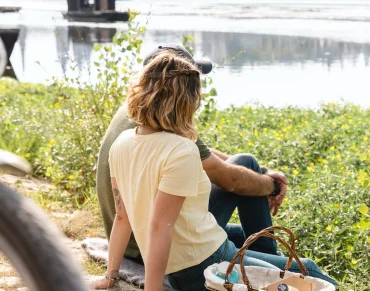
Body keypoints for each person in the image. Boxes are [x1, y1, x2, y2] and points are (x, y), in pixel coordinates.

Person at [91, 48, 370, 291]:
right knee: (305, 272)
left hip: (195, 255)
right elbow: (160, 227)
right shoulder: (180, 150)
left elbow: (122, 217)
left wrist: (110, 275)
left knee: (290, 266)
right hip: (204, 261)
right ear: (185, 102)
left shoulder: (123, 143)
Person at [96, 44, 288, 261]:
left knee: (243, 227)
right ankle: (270, 262)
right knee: (246, 167)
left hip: (131, 239)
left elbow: (203, 153)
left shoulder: (140, 110)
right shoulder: (164, 121)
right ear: (175, 87)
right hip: (153, 243)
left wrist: (263, 171)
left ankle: (266, 256)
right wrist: (271, 185)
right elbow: (231, 180)